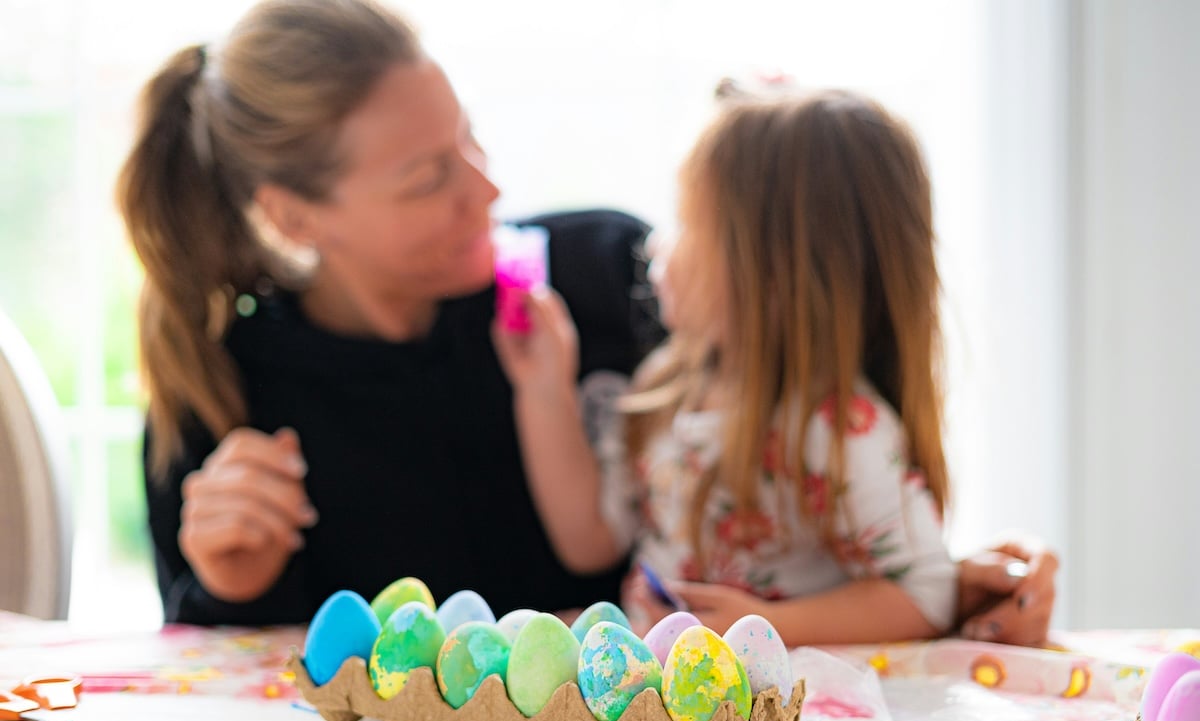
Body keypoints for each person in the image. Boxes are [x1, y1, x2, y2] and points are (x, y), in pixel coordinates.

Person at [117, 0, 1055, 640]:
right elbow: (204, 685)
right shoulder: (225, 387)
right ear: (292, 215)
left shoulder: (610, 279)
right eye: (427, 178)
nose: (487, 187)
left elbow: (805, 508)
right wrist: (230, 582)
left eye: (467, 138)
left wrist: (949, 591)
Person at [493, 87, 1057, 646]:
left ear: (771, 275)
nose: (657, 246)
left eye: (688, 223)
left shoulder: (840, 430)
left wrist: (762, 630)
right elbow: (592, 540)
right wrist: (543, 389)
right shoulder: (665, 386)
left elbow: (926, 592)